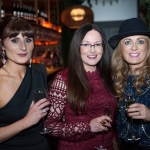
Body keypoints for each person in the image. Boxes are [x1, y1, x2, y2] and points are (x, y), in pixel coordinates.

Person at [45, 23, 118, 150]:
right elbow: (50, 127)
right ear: (77, 47)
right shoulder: (63, 78)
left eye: (97, 44)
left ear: (103, 47)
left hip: (106, 146)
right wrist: (88, 127)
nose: (92, 50)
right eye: (86, 44)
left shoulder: (110, 77)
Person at [0, 16, 51, 150]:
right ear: (2, 45)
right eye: (15, 40)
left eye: (28, 40)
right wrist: (26, 122)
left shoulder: (40, 71)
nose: (23, 47)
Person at [108, 18, 150, 150]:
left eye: (140, 41)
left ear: (148, 46)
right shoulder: (118, 80)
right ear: (121, 49)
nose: (134, 47)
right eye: (127, 42)